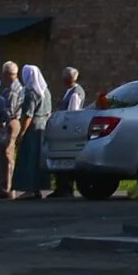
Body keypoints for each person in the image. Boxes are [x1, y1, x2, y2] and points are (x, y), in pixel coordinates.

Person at [9, 61, 51, 200]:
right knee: (39, 158)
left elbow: (29, 115)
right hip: (43, 126)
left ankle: (29, 189)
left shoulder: (31, 92)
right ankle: (38, 188)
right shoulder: (46, 91)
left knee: (29, 158)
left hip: (33, 127)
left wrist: (22, 133)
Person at [48, 67, 89, 198]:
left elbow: (72, 112)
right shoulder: (70, 91)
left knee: (64, 156)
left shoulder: (76, 93)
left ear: (67, 79)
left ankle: (65, 187)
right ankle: (60, 186)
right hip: (65, 126)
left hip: (67, 128)